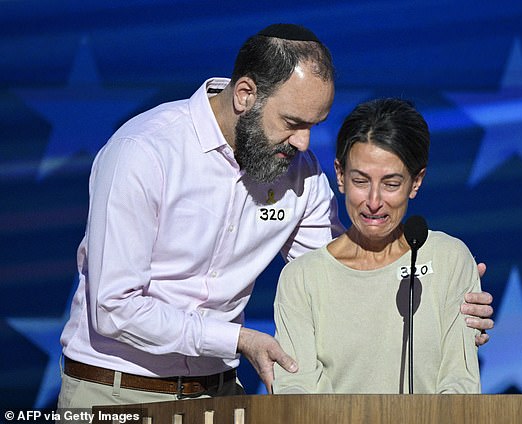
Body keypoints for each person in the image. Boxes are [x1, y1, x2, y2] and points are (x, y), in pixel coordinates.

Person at [57, 24, 492, 411]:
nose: (303, 143)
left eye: (314, 124)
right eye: (292, 122)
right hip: (116, 394)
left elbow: (341, 276)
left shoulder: (300, 173)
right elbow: (113, 307)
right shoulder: (144, 152)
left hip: (219, 396)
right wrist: (237, 339)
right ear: (245, 94)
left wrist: (446, 298)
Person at [273, 98, 481, 394]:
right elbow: (296, 393)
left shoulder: (449, 259)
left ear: (416, 182)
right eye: (360, 181)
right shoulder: (301, 278)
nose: (373, 201)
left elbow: (460, 385)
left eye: (391, 184)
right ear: (340, 176)